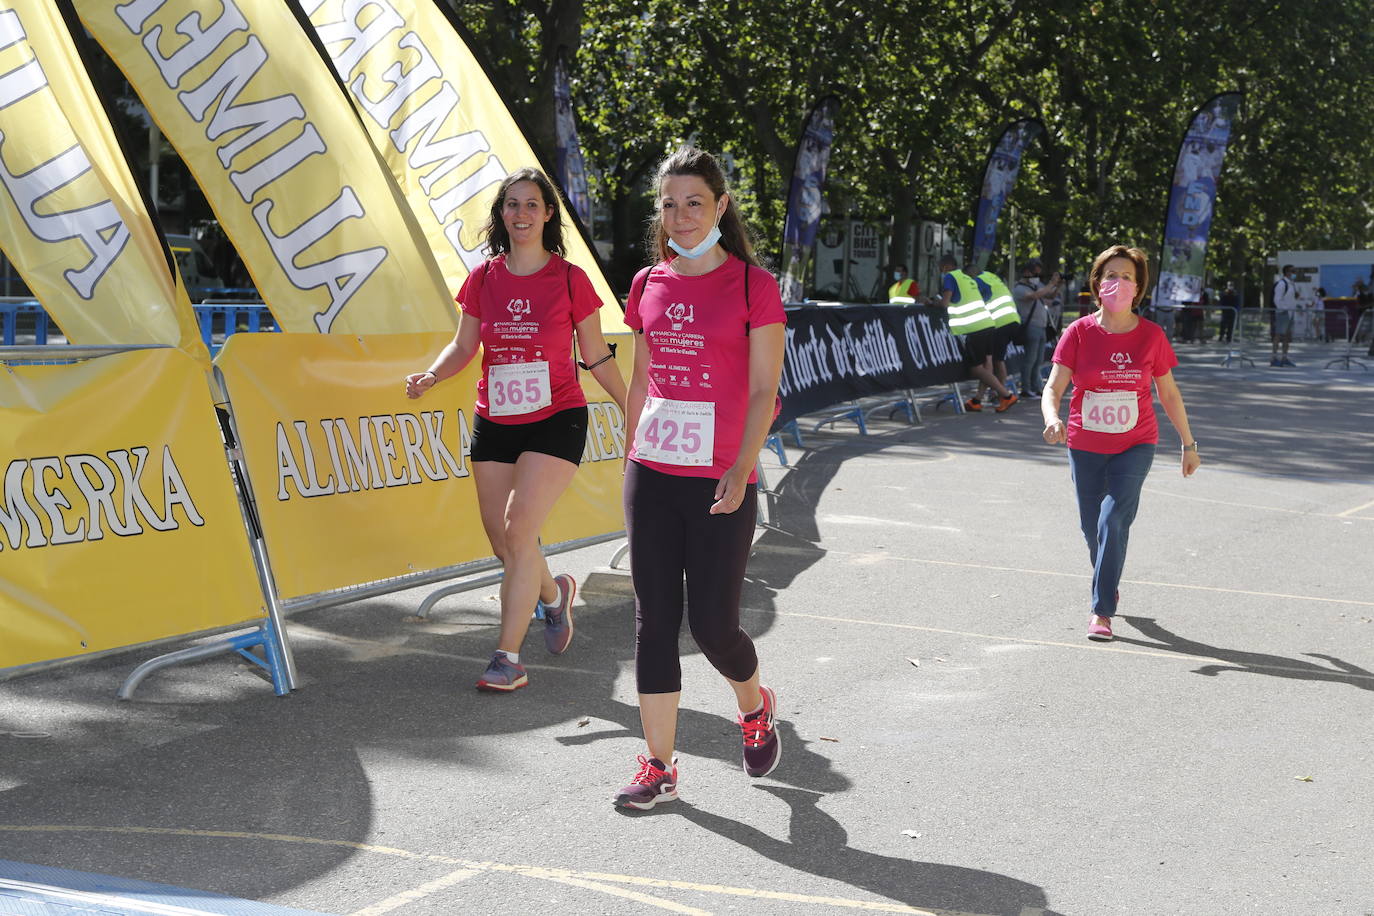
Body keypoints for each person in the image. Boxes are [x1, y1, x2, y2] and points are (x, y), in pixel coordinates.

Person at [405, 167, 627, 692]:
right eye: (512, 204)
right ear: (501, 215)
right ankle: (554, 596)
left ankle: (507, 657)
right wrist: (432, 375)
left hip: (558, 417)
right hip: (496, 418)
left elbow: (594, 353)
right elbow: (464, 347)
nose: (521, 214)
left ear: (549, 214)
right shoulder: (484, 278)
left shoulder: (570, 278)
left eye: (532, 205)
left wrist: (630, 406)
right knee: (504, 539)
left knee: (520, 526)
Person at [615, 147, 786, 810]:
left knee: (713, 627)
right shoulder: (647, 284)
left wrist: (741, 470)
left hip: (719, 479)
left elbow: (766, 388)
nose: (680, 216)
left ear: (719, 206)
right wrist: (631, 457)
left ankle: (754, 706)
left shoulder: (752, 287)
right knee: (653, 621)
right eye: (669, 204)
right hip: (653, 472)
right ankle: (658, 766)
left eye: (694, 202)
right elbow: (640, 380)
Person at [1041, 245, 1200, 642]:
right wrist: (1052, 418)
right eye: (1111, 275)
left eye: (1127, 277)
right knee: (1091, 528)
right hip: (1085, 442)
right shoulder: (1078, 332)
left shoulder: (1151, 336)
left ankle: (1101, 612)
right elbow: (1053, 387)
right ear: (1097, 283)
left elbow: (1169, 394)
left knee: (1113, 520)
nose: (1119, 283)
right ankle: (1107, 581)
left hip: (1136, 443)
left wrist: (1189, 443)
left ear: (1139, 287)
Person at [936, 253, 1017, 412]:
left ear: (945, 267)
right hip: (988, 324)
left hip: (974, 328)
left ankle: (1006, 395)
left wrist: (932, 302)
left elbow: (945, 302)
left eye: (940, 268)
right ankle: (977, 400)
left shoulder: (950, 277)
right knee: (987, 366)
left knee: (976, 369)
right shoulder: (966, 278)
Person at [972, 267, 1021, 404]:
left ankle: (1001, 394)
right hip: (1011, 319)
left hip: (999, 322)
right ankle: (985, 395)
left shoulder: (977, 281)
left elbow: (978, 301)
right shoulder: (990, 275)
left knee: (995, 361)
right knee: (996, 360)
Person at [1013, 258, 1061, 396]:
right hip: (1030, 327)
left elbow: (1049, 296)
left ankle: (1036, 387)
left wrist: (1057, 286)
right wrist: (1051, 283)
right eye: (1035, 274)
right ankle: (1026, 389)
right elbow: (1035, 296)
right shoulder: (1019, 289)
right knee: (1030, 359)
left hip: (1041, 327)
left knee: (1038, 360)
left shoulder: (1035, 286)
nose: (1037, 278)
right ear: (1026, 272)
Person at [1270, 264, 1299, 366]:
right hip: (1283, 313)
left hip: (1290, 313)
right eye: (1293, 271)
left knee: (1287, 336)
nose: (1295, 273)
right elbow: (1277, 299)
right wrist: (1284, 310)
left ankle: (1284, 358)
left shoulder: (1292, 284)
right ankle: (1274, 358)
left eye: (1295, 271)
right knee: (1278, 335)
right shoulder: (1282, 284)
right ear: (1287, 272)